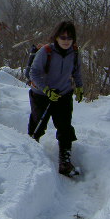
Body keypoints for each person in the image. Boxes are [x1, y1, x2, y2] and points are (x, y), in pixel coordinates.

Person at [27, 20, 84, 176]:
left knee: (65, 127)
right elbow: (34, 73)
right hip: (41, 95)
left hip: (63, 94)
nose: (66, 41)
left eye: (69, 38)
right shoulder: (46, 52)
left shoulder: (75, 53)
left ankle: (65, 162)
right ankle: (29, 153)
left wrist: (79, 87)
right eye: (63, 37)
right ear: (56, 37)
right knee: (38, 124)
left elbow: (77, 72)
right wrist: (46, 90)